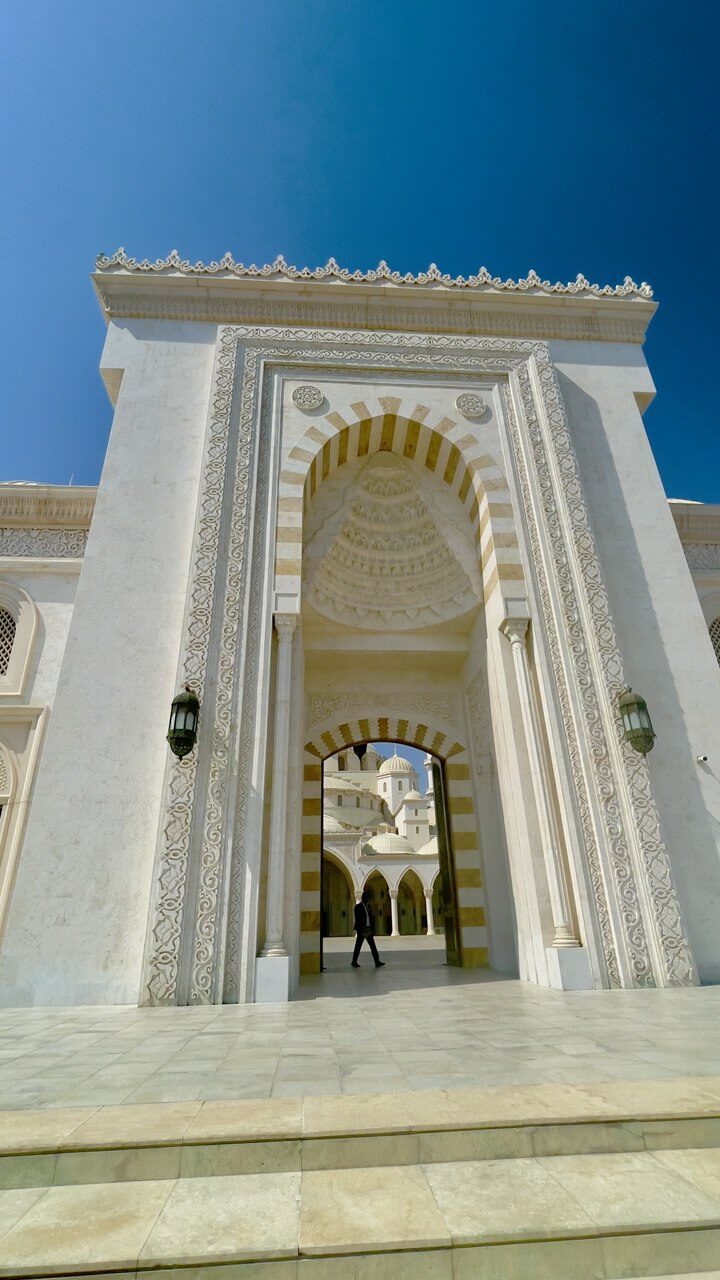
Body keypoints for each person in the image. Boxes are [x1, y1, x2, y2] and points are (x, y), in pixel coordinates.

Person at [352, 889, 386, 968]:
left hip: (368, 928)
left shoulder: (368, 906)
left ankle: (377, 961)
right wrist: (361, 929)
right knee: (358, 946)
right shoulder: (358, 907)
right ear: (363, 898)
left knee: (373, 946)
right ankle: (354, 961)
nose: (368, 899)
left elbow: (369, 917)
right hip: (362, 929)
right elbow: (358, 919)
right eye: (367, 897)